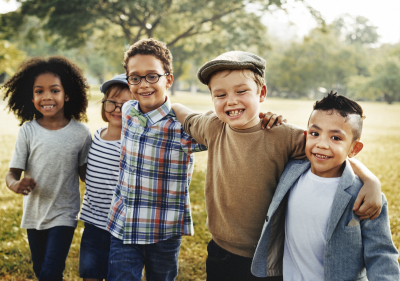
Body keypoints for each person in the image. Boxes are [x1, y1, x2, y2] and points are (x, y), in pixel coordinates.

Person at [171, 51, 383, 281]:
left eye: (241, 91)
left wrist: (371, 181)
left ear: (261, 92)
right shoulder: (212, 127)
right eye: (220, 94)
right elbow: (186, 115)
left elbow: (329, 152)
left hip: (270, 256)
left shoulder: (283, 135)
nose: (231, 100)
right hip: (221, 251)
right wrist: (170, 105)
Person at [251, 92, 400, 280]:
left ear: (354, 148)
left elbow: (381, 255)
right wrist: (269, 120)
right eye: (315, 134)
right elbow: (261, 141)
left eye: (336, 138)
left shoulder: (364, 196)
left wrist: (371, 182)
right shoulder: (290, 171)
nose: (322, 144)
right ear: (306, 136)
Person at [105, 38, 208, 281]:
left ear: (168, 79)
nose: (143, 84)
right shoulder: (129, 110)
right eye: (135, 77)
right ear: (128, 80)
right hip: (124, 225)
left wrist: (265, 118)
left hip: (163, 230)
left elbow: (225, 130)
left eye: (152, 76)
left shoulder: (183, 127)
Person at [3, 56, 92, 281]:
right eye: (39, 91)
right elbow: (12, 173)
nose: (47, 97)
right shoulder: (28, 132)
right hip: (34, 213)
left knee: (51, 272)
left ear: (67, 94)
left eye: (54, 90)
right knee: (40, 270)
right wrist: (16, 184)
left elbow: (86, 175)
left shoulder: (81, 133)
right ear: (31, 97)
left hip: (65, 211)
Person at [79, 74, 133, 281]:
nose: (118, 109)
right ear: (104, 105)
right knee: (90, 274)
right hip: (92, 225)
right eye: (112, 102)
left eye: (127, 105)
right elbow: (87, 172)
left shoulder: (132, 145)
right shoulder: (96, 136)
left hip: (121, 229)